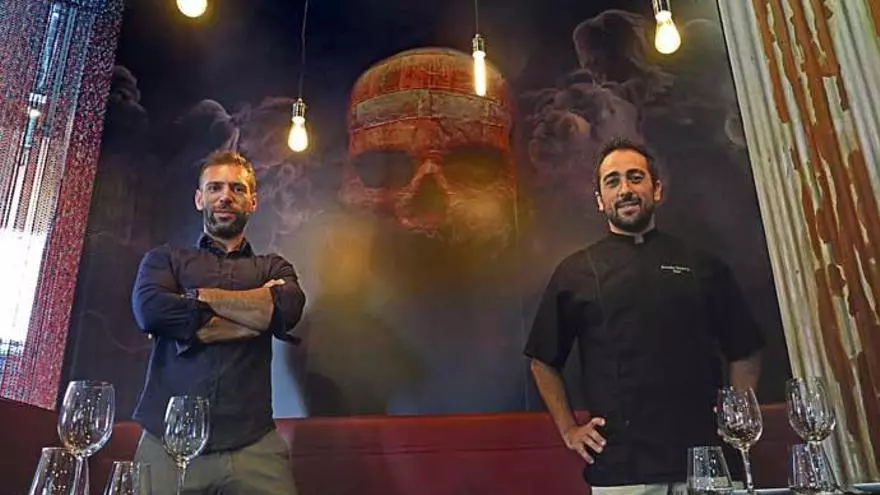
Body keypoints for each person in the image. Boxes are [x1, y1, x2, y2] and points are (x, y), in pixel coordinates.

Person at [524, 138, 764, 495]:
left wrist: (738, 419)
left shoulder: (703, 265)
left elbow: (745, 348)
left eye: (635, 177)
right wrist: (569, 430)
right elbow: (542, 360)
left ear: (657, 189)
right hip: (623, 470)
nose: (625, 189)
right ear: (600, 200)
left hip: (709, 461)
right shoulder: (575, 272)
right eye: (613, 181)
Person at [131, 150, 304, 494]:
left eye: (237, 189)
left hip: (254, 445)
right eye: (215, 187)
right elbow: (151, 311)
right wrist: (254, 321)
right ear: (200, 199)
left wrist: (195, 298)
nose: (225, 196)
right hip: (166, 443)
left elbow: (287, 309)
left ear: (253, 201)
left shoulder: (273, 267)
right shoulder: (165, 259)